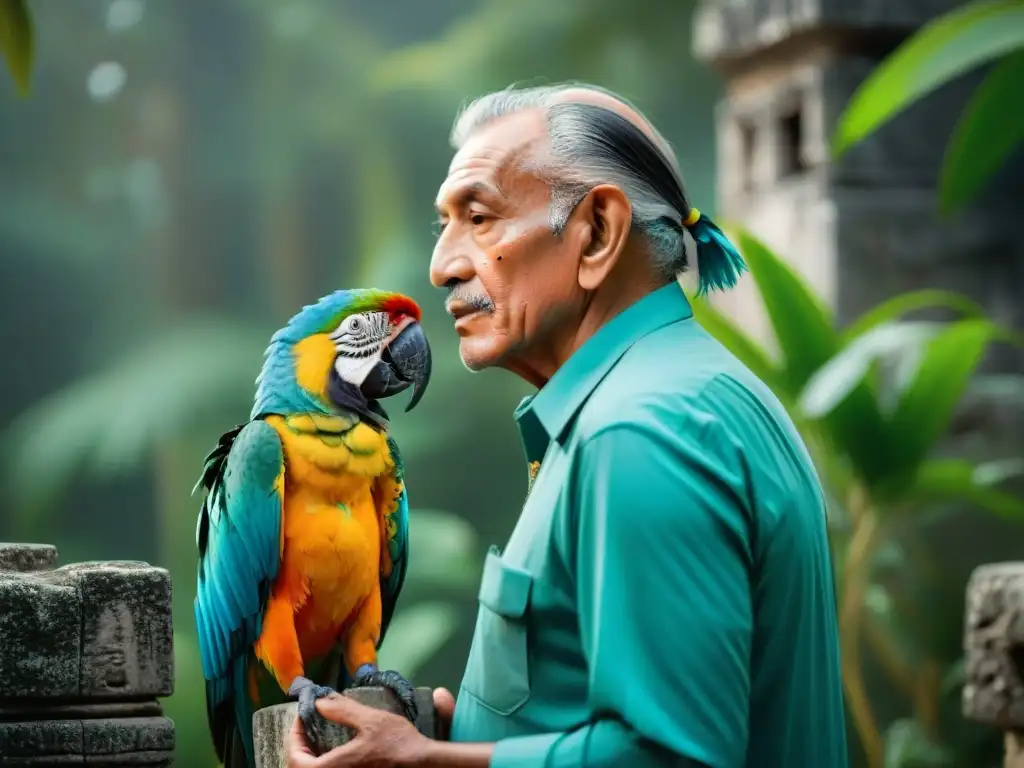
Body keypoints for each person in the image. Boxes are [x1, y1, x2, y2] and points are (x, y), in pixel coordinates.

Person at [286, 81, 849, 768]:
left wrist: (424, 761)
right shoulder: (682, 390)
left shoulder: (640, 431)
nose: (442, 266)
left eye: (481, 217)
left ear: (598, 233)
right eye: (445, 226)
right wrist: (470, 738)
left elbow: (675, 757)